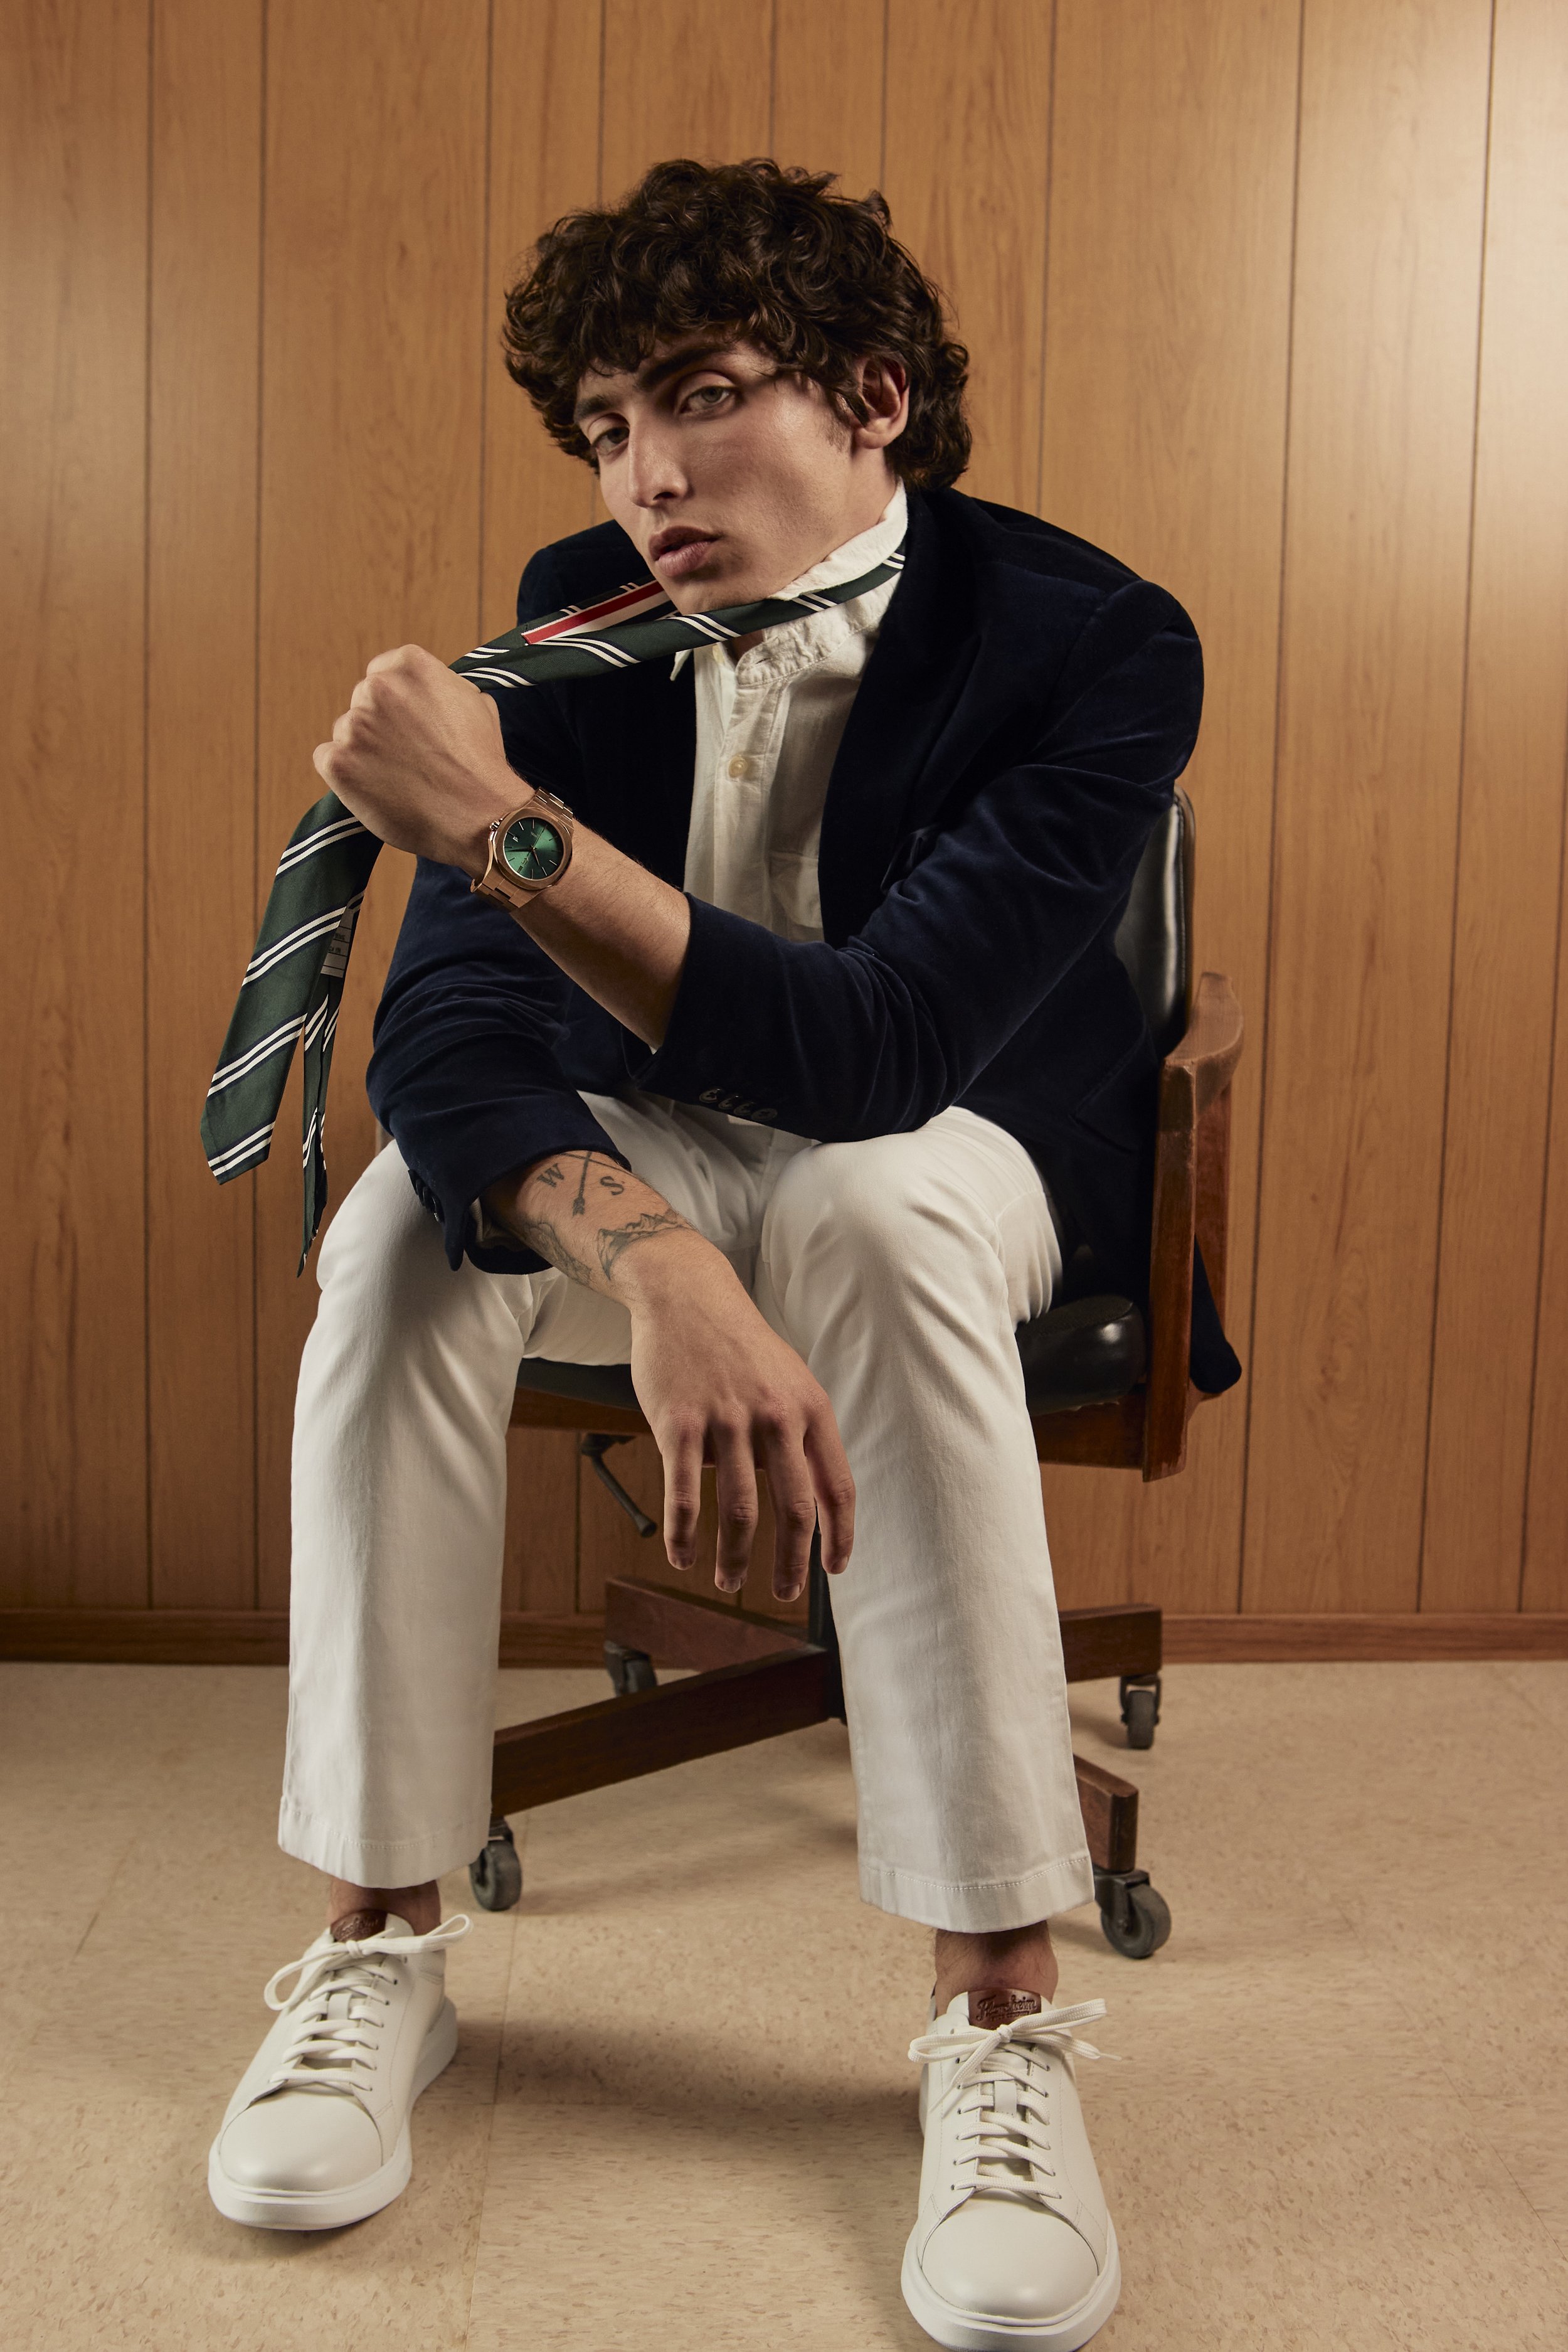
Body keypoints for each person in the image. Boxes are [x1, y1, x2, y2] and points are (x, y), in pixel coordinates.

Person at [206, 158, 1237, 2351]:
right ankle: (377, 1939)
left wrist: (497, 827)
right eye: (602, 426)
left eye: (699, 396)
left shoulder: (1098, 642)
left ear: (871, 397)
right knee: (398, 1232)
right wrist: (659, 1262)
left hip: (953, 1143)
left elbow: (877, 1054)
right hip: (663, 1150)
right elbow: (453, 1024)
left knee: (860, 1207)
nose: (645, 475)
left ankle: (994, 2012)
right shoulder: (579, 611)